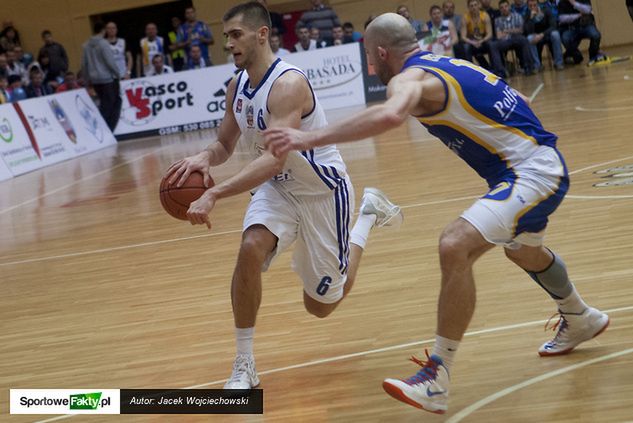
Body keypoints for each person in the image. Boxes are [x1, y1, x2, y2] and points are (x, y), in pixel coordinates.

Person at [264, 12, 609, 414]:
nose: (371, 68)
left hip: (531, 173)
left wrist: (309, 136)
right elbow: (517, 100)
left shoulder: (407, 78)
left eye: (370, 59)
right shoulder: (452, 64)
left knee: (454, 245)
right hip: (536, 166)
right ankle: (580, 316)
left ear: (379, 52)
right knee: (524, 252)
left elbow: (390, 115)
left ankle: (436, 377)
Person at [166, 2, 403, 390]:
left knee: (322, 306)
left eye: (236, 34)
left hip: (321, 192)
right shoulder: (236, 87)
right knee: (250, 247)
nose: (229, 44)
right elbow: (224, 144)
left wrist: (215, 194)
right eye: (226, 36)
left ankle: (367, 216)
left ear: (262, 34)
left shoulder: (288, 84)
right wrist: (204, 157)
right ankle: (244, 364)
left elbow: (274, 161)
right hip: (278, 190)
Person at [81, 21, 122, 131]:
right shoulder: (103, 43)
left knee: (104, 104)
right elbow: (109, 61)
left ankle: (105, 129)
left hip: (95, 80)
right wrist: (118, 74)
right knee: (114, 104)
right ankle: (106, 129)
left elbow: (84, 64)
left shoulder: (85, 45)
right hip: (107, 79)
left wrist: (87, 80)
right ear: (103, 30)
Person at [558, 0, 606, 65]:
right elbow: (562, 19)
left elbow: (587, 10)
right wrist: (578, 15)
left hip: (586, 26)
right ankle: (577, 56)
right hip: (572, 28)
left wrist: (574, 3)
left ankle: (593, 55)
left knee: (596, 35)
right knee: (565, 38)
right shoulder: (562, 2)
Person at [524, 0, 564, 70]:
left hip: (547, 34)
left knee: (555, 34)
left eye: (534, 5)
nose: (533, 7)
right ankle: (537, 65)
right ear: (527, 6)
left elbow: (553, 26)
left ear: (538, 4)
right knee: (529, 38)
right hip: (535, 36)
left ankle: (558, 63)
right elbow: (527, 31)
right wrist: (531, 19)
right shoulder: (527, 15)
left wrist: (542, 34)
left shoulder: (546, 11)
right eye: (530, 6)